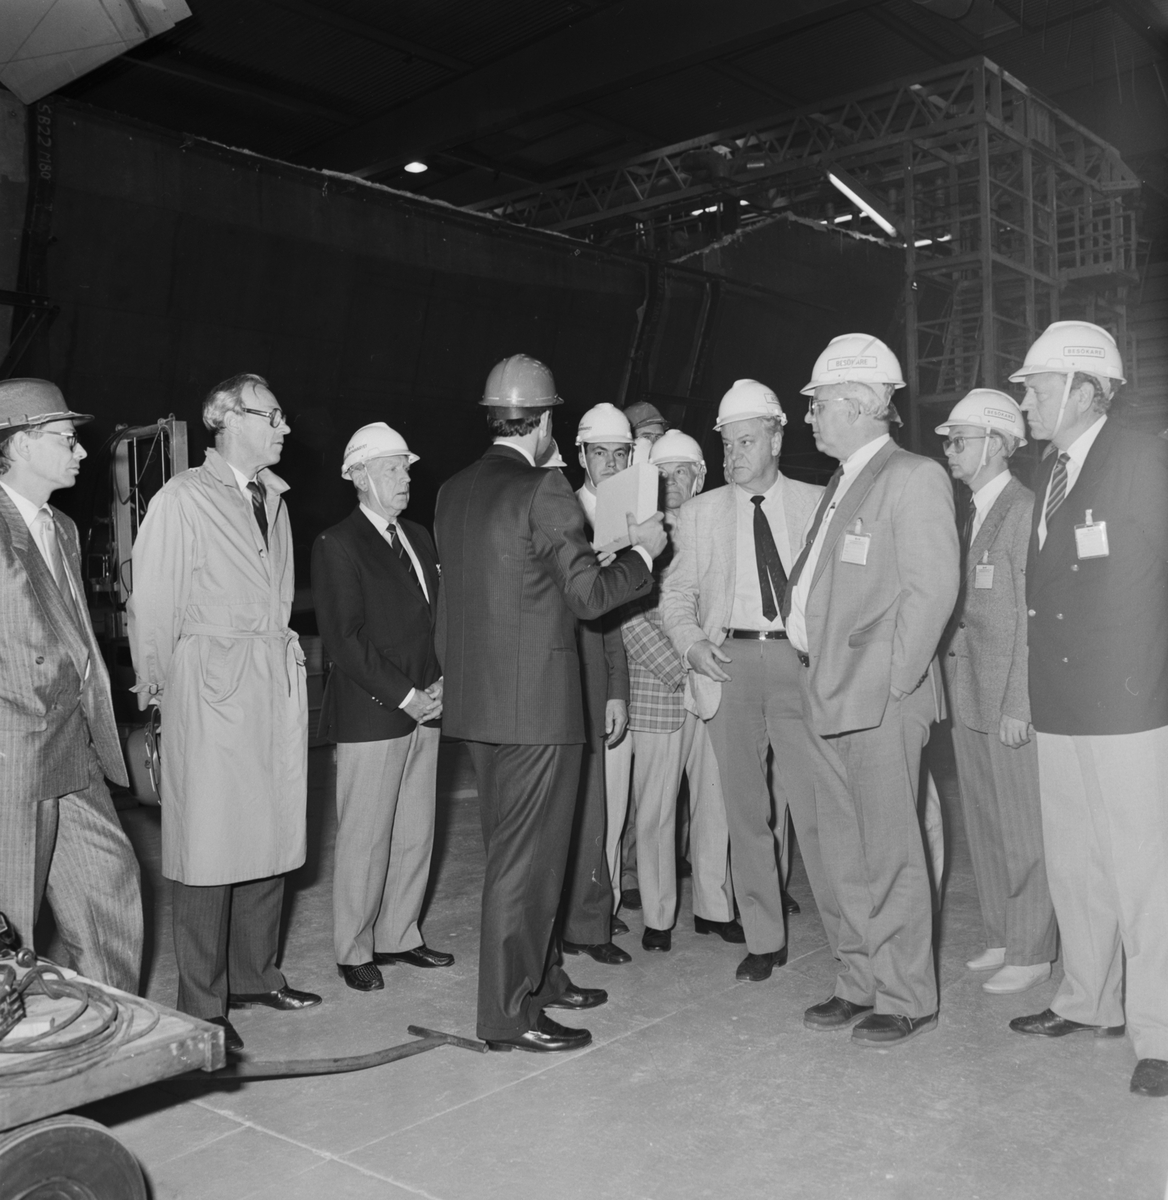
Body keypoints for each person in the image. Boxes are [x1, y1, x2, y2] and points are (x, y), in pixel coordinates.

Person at [434, 354, 666, 1053]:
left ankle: (543, 978)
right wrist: (645, 555)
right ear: (543, 423)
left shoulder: (452, 491)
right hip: (536, 712)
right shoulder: (545, 487)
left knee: (523, 857)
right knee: (525, 867)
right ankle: (510, 1015)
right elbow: (590, 596)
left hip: (480, 710)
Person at [129, 373, 320, 1053]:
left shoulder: (275, 500)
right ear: (228, 419)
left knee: (271, 830)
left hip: (269, 680)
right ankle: (203, 1001)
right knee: (209, 844)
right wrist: (158, 690)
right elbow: (152, 601)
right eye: (273, 416)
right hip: (210, 684)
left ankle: (256, 974)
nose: (285, 427)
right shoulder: (182, 499)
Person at [1006, 322, 1168, 1100]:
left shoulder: (1140, 459)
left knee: (1145, 873)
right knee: (1076, 864)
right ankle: (1088, 1000)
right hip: (1061, 701)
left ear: (1083, 389)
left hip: (1129, 704)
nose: (1025, 402)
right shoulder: (1050, 469)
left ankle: (1161, 1032)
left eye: (1036, 388)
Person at [784, 334, 958, 1047]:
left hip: (879, 697)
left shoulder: (913, 477)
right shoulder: (847, 478)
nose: (810, 417)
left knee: (889, 852)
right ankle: (858, 981)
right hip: (827, 686)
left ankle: (907, 995)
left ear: (857, 405)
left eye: (818, 404)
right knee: (843, 854)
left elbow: (932, 589)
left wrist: (893, 684)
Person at [662, 380, 837, 982]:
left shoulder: (819, 502)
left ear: (775, 439)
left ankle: (848, 940)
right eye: (727, 443)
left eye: (745, 441)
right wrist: (693, 645)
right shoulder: (699, 514)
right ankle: (764, 938)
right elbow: (676, 597)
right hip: (729, 665)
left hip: (799, 664)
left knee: (816, 811)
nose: (732, 454)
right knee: (745, 812)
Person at [0, 379, 142, 992]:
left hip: (73, 744)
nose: (82, 451)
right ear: (20, 444)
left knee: (109, 889)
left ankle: (114, 1026)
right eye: (66, 438)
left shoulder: (60, 526)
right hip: (13, 754)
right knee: (10, 929)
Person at [311, 422, 452, 993]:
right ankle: (354, 948)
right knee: (366, 838)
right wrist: (407, 696)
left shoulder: (418, 536)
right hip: (376, 711)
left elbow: (437, 618)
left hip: (428, 703)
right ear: (359, 477)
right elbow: (345, 641)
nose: (405, 478)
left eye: (406, 468)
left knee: (416, 831)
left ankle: (400, 933)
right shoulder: (337, 544)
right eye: (392, 468)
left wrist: (442, 681)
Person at [936, 390, 1056, 994]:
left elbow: (1033, 619)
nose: (950, 451)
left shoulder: (1023, 510)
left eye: (960, 440)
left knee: (1021, 827)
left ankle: (1032, 950)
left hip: (1006, 698)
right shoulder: (970, 512)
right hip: (968, 692)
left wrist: (1019, 705)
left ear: (999, 444)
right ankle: (1002, 934)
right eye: (949, 441)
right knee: (983, 820)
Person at [621, 431, 736, 951]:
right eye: (662, 473)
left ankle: (714, 907)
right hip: (660, 689)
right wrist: (683, 668)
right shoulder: (635, 535)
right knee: (655, 811)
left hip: (713, 686)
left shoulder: (717, 527)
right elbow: (628, 618)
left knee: (715, 804)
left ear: (701, 477)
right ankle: (658, 916)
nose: (671, 482)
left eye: (682, 472)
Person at [562, 403, 635, 966]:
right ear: (581, 455)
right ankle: (578, 923)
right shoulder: (560, 511)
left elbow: (612, 617)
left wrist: (617, 690)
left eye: (620, 453)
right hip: (563, 675)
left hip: (598, 674)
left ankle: (592, 916)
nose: (610, 463)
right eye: (600, 453)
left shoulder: (629, 514)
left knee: (601, 808)